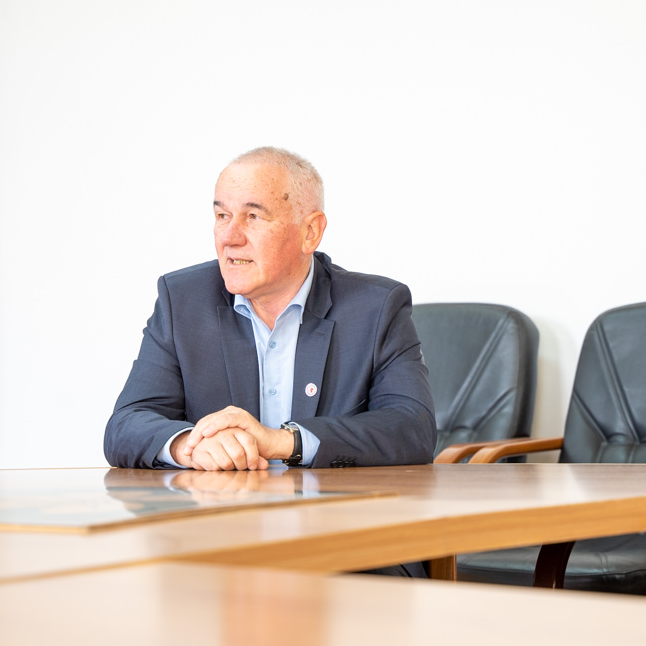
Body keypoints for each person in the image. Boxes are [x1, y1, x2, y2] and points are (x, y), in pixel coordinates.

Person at [105, 147, 435, 470]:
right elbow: (126, 425)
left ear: (310, 232)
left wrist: (280, 441)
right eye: (222, 216)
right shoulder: (183, 300)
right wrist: (189, 445)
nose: (230, 237)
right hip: (222, 505)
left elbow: (412, 428)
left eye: (253, 216)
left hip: (330, 504)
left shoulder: (375, 307)